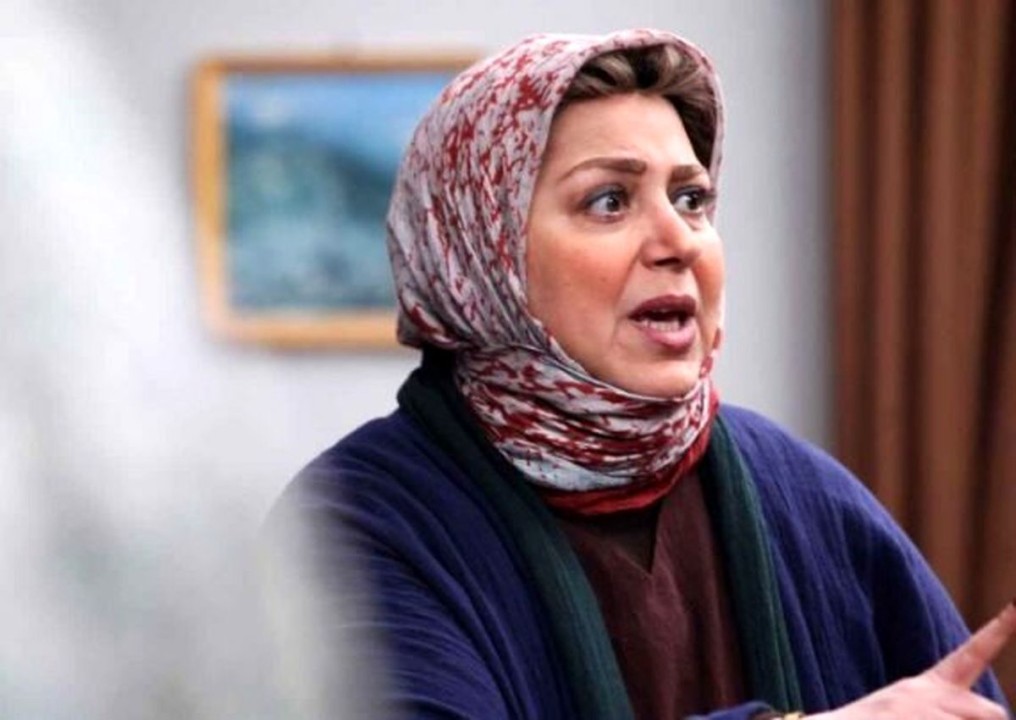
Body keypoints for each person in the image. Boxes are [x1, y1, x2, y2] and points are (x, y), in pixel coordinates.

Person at [266, 29, 1014, 719]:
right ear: (482, 259)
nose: (677, 240)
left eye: (692, 199)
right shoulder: (353, 523)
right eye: (609, 201)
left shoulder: (805, 493)